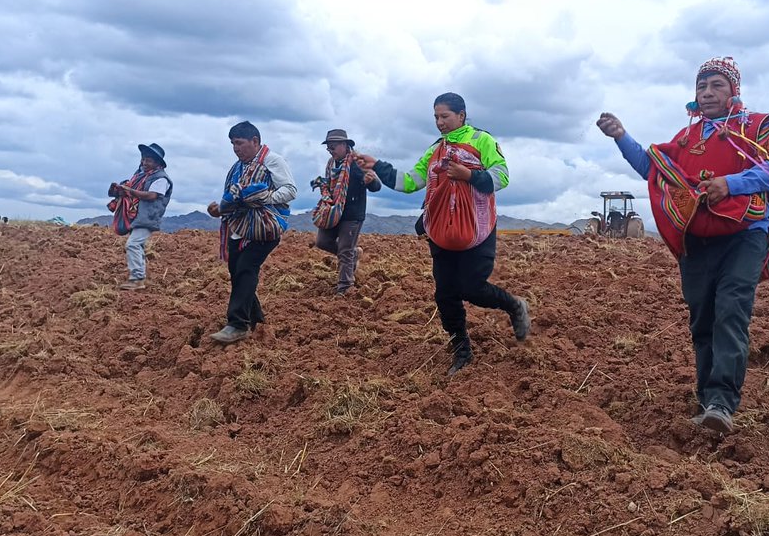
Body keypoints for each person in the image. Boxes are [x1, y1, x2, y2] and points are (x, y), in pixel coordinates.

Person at [597, 56, 769, 435]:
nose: (708, 92)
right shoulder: (688, 138)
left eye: (717, 85)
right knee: (702, 317)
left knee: (732, 309)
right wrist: (621, 137)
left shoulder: (758, 126)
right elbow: (654, 170)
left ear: (734, 90)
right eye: (702, 86)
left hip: (746, 233)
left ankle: (721, 402)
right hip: (696, 238)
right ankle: (706, 398)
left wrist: (731, 184)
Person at [356, 93, 530, 376]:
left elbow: (502, 176)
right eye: (436, 117)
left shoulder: (481, 140)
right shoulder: (436, 149)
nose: (439, 123)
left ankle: (514, 305)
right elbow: (411, 181)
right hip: (440, 229)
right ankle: (461, 348)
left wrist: (469, 175)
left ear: (461, 115)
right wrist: (378, 166)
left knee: (472, 287)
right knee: (445, 294)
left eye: (444, 116)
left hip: (476, 228)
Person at [207, 122, 297, 344]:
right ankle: (257, 321)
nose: (236, 148)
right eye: (232, 144)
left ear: (255, 141)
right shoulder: (238, 167)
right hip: (239, 228)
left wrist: (266, 199)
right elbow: (232, 198)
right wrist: (219, 210)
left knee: (246, 269)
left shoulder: (272, 161)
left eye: (239, 143)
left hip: (265, 228)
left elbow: (290, 190)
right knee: (237, 271)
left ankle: (237, 324)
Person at [311, 129, 381, 294]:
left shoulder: (358, 163)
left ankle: (345, 288)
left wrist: (370, 182)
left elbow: (376, 186)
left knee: (344, 249)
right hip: (333, 212)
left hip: (352, 215)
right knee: (322, 241)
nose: (331, 150)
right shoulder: (331, 164)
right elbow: (330, 184)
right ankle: (353, 254)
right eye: (329, 147)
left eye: (333, 146)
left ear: (344, 145)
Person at [108, 143, 172, 291]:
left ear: (157, 163)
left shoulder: (161, 178)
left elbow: (152, 195)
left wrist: (129, 191)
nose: (144, 163)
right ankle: (139, 276)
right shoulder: (140, 175)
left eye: (149, 160)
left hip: (147, 217)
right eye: (144, 159)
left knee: (133, 244)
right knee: (138, 245)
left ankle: (137, 279)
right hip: (136, 216)